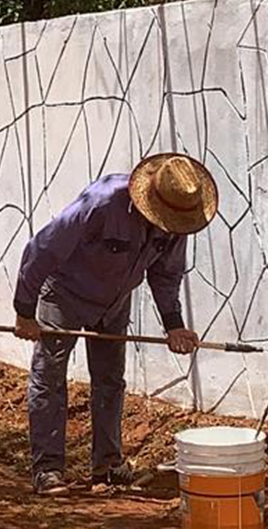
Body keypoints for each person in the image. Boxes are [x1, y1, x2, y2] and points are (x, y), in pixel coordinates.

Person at [13, 153, 218, 495]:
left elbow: (166, 274)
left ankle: (107, 467)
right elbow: (42, 249)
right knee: (50, 377)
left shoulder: (179, 218)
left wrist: (174, 325)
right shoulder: (102, 202)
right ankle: (47, 470)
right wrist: (24, 310)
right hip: (65, 293)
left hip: (115, 302)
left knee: (110, 381)